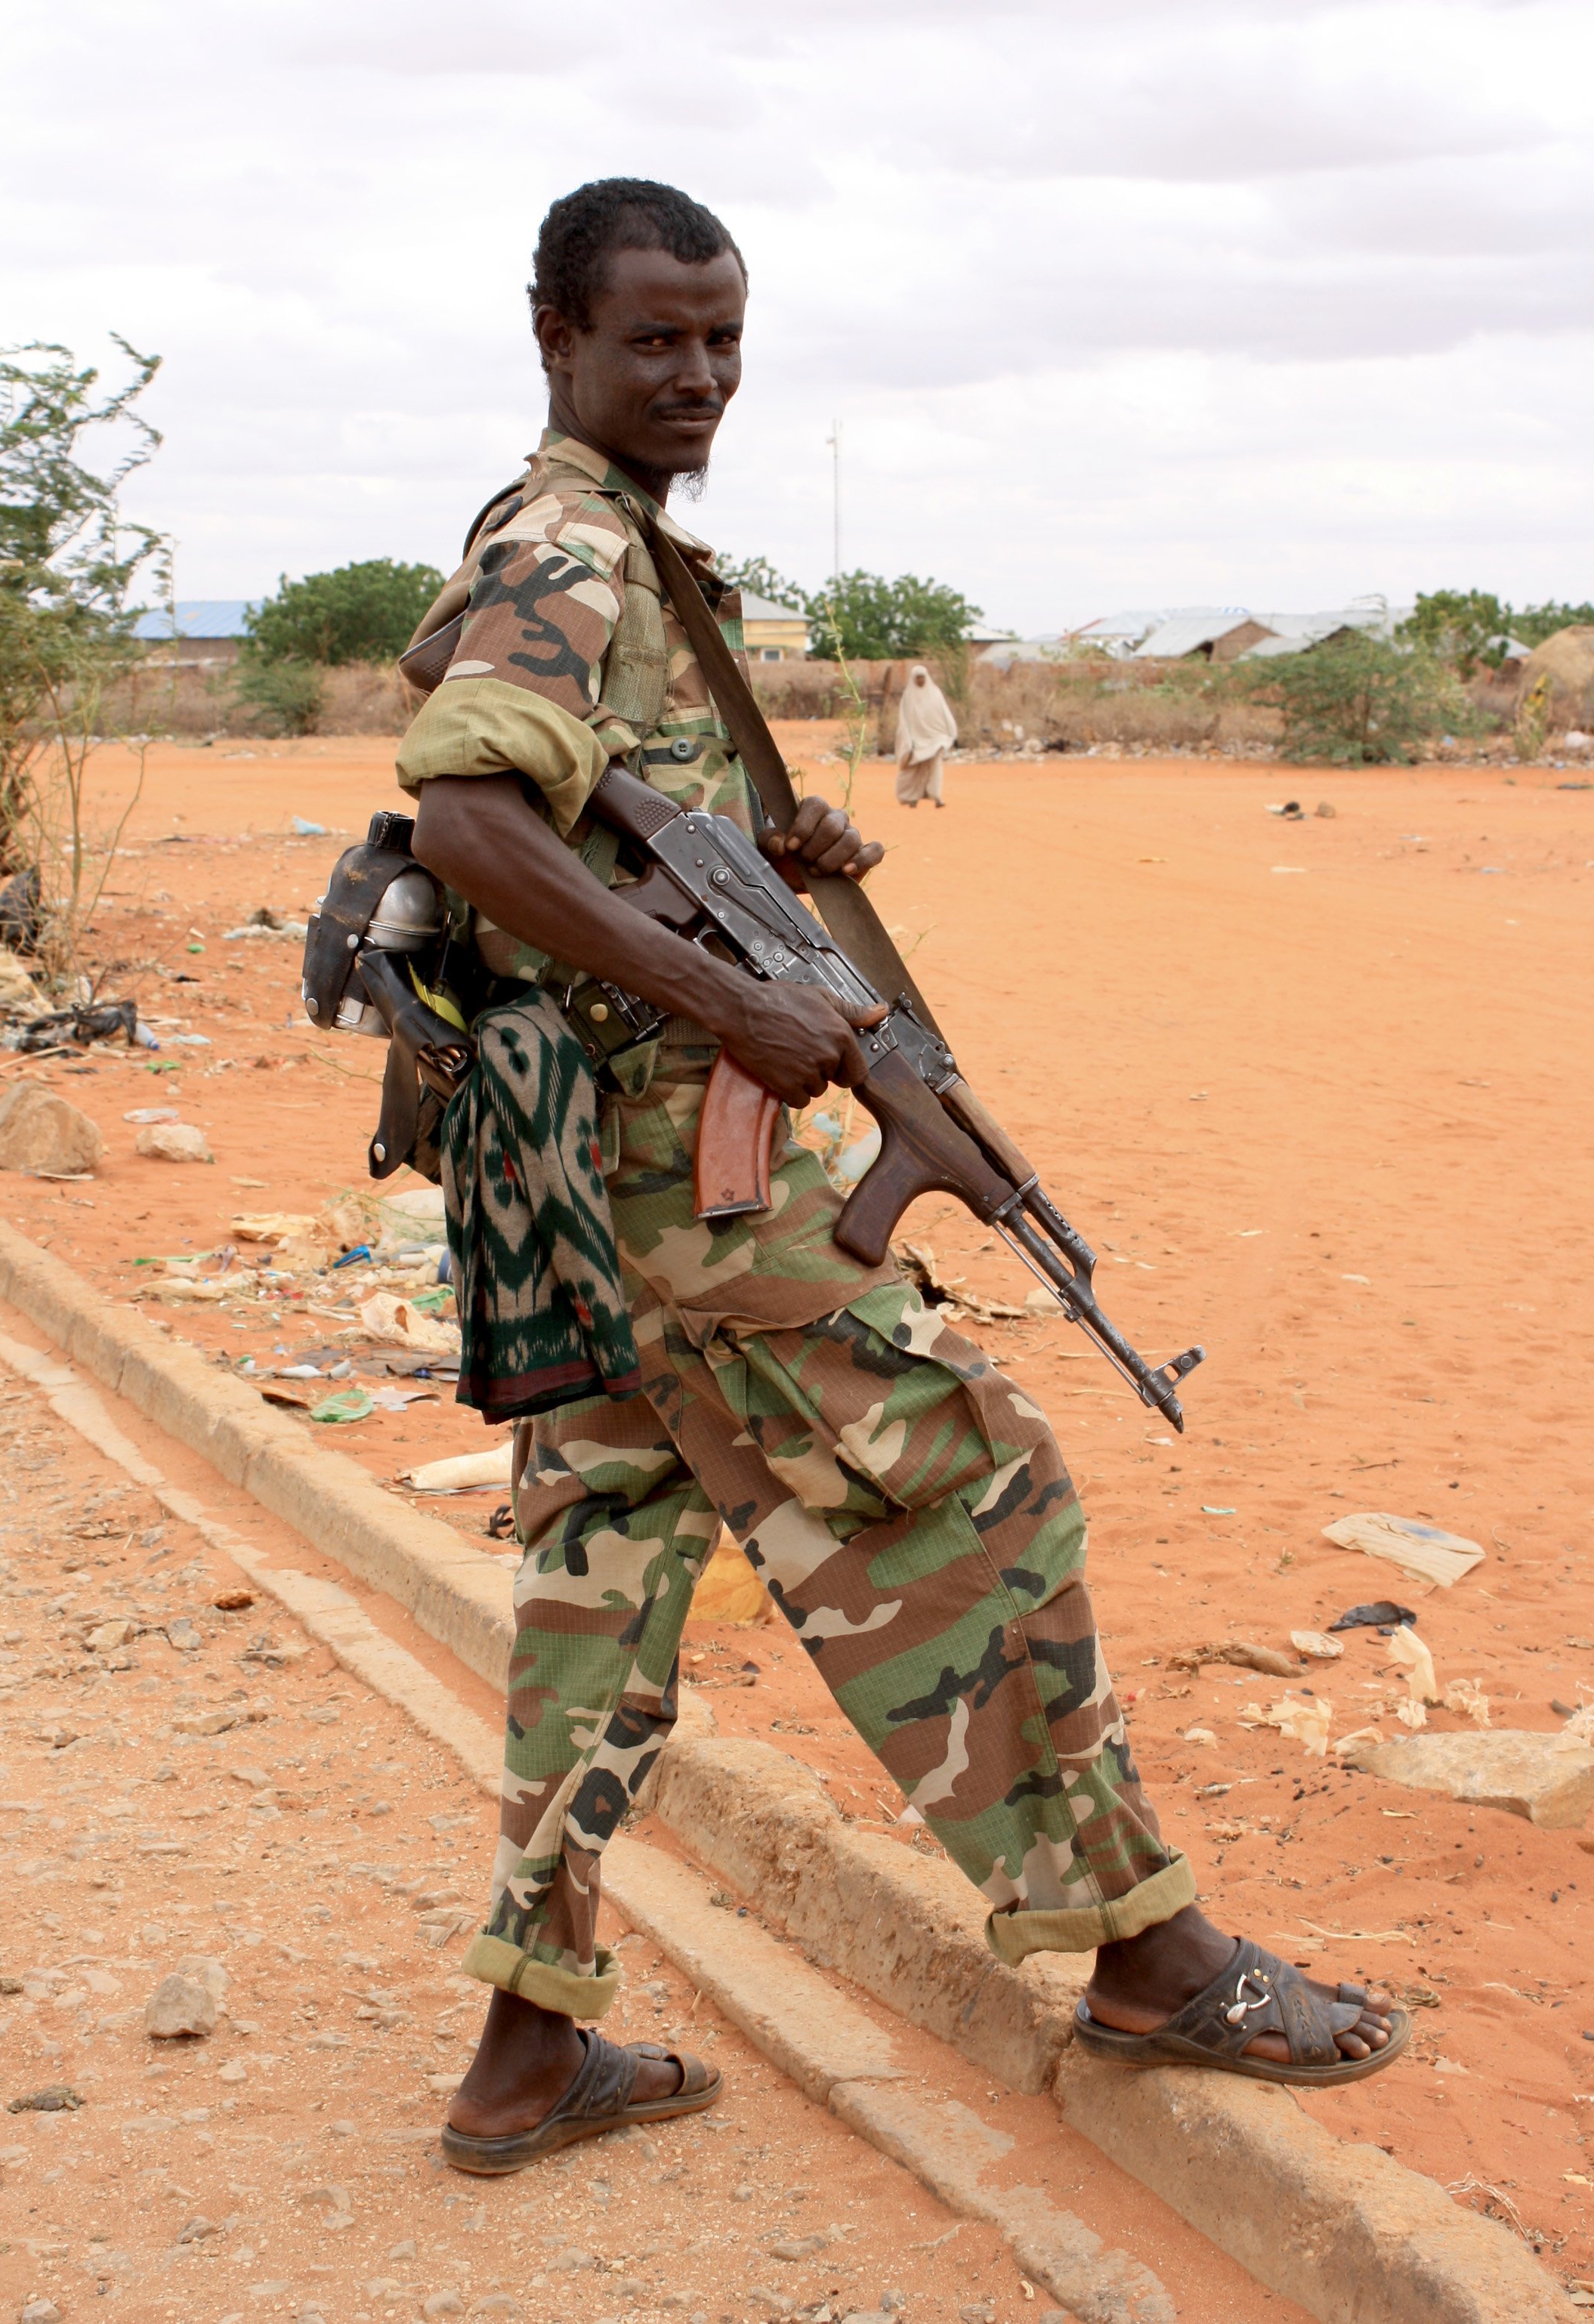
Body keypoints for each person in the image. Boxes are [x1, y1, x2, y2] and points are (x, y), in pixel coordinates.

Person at [397, 176, 1408, 2177]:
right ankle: (1146, 1954)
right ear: (557, 340)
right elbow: (463, 819)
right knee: (984, 1472)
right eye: (655, 340)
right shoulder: (566, 547)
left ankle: (527, 2051)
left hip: (602, 1193)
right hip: (677, 1189)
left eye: (725, 339)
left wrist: (772, 872)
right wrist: (736, 1000)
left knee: (601, 1588)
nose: (698, 377)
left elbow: (593, 824)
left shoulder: (624, 555)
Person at [894, 662, 956, 807]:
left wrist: (951, 732)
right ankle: (911, 797)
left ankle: (936, 797)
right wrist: (908, 739)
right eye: (917, 678)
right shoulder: (908, 696)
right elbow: (904, 720)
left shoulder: (935, 693)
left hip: (936, 738)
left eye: (922, 677)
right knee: (914, 769)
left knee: (935, 768)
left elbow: (944, 713)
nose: (920, 680)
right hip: (916, 741)